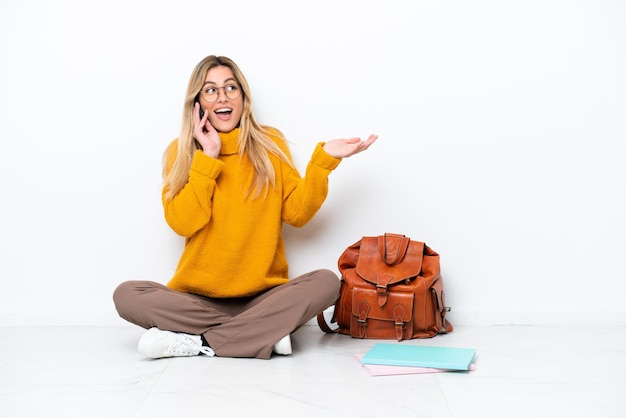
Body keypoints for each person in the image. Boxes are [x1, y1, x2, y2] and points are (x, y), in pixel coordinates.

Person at [113, 55, 377, 360]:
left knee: (327, 283)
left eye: (230, 88)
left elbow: (297, 213)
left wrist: (323, 163)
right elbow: (183, 223)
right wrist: (208, 159)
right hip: (197, 300)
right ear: (197, 102)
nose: (222, 97)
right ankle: (262, 334)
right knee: (127, 295)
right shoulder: (182, 152)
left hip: (263, 299)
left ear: (243, 97)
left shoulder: (269, 143)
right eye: (210, 90)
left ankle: (200, 342)